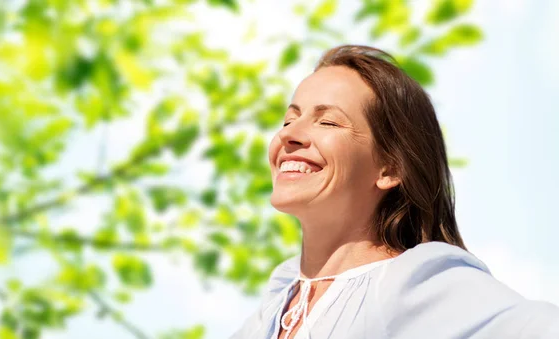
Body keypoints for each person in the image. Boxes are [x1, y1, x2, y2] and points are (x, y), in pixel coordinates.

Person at [230, 45, 559, 339]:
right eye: (289, 120)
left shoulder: (413, 281)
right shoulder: (282, 294)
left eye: (328, 122)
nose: (290, 135)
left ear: (390, 168)